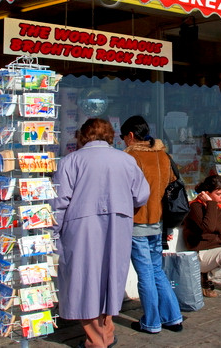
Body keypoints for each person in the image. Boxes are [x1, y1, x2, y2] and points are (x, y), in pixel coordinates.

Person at [50, 118, 150, 348]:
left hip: (82, 227)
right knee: (110, 279)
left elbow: (59, 202)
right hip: (118, 225)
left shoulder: (71, 161)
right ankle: (106, 334)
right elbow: (142, 195)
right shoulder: (126, 160)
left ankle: (96, 341)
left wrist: (53, 233)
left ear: (83, 136)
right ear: (110, 136)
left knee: (85, 280)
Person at [120, 115, 184, 334]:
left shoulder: (131, 157)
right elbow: (169, 184)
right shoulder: (163, 155)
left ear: (130, 136)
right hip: (157, 221)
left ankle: (152, 322)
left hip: (137, 221)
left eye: (123, 137)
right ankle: (173, 317)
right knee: (156, 270)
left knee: (145, 273)